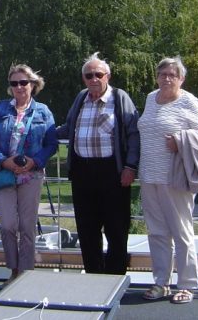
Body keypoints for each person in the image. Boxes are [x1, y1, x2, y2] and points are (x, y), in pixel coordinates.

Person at [137, 57, 198, 304]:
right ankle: (161, 282)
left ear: (181, 79)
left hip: (175, 178)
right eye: (163, 74)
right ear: (157, 76)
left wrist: (181, 140)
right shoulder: (151, 98)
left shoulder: (189, 102)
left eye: (173, 75)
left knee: (181, 232)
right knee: (157, 232)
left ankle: (187, 285)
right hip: (149, 175)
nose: (167, 78)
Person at [56, 53, 140, 274]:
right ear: (83, 78)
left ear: (108, 76)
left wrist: (130, 167)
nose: (93, 79)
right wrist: (40, 133)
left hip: (112, 171)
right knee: (87, 229)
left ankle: (114, 277)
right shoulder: (81, 98)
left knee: (116, 228)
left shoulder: (120, 99)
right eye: (88, 75)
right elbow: (68, 127)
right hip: (83, 171)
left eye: (98, 74)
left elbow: (133, 134)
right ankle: (93, 276)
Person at [0, 64, 57, 280]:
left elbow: (51, 143)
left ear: (33, 84)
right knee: (7, 224)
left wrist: (36, 161)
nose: (19, 87)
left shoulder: (43, 111)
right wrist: (2, 160)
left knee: (27, 226)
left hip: (31, 174)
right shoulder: (0, 108)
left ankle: (24, 273)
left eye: (23, 82)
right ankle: (13, 268)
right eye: (14, 83)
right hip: (5, 173)